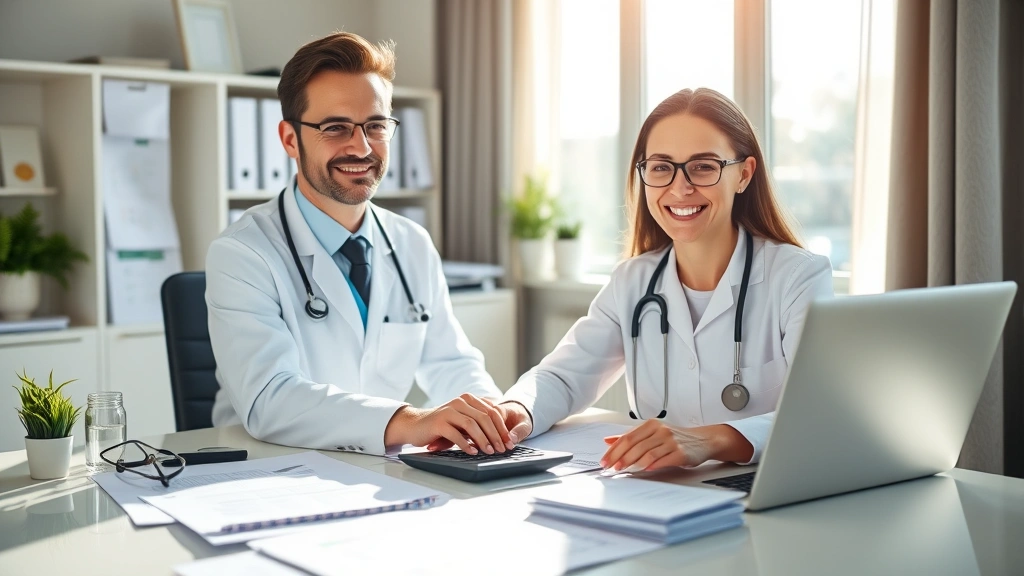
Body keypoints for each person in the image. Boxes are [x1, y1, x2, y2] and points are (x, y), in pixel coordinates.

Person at [206, 32, 513, 456]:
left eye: (375, 126)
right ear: (290, 139)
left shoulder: (411, 243)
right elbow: (269, 399)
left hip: (379, 475)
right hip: (270, 472)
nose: (362, 147)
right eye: (335, 128)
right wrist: (411, 421)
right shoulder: (243, 253)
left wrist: (491, 417)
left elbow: (451, 363)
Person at [496, 88, 834, 473]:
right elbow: (564, 376)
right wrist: (516, 408)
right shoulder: (634, 281)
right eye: (660, 167)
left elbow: (818, 411)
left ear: (744, 174)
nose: (680, 187)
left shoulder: (796, 277)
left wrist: (711, 439)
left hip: (763, 484)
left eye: (703, 166)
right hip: (661, 491)